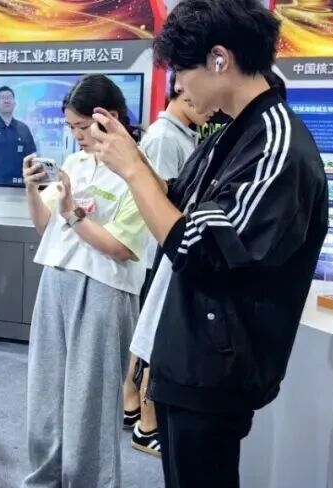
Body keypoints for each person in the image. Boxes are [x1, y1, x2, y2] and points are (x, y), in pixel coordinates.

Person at [90, 0, 329, 485]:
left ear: (220, 59)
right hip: (185, 351)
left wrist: (133, 169)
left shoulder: (277, 143)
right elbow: (178, 203)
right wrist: (133, 159)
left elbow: (198, 246)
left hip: (216, 366)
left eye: (182, 70)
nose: (179, 85)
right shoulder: (230, 134)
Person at [21, 74, 151, 488]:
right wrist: (32, 191)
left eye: (82, 126)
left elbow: (121, 247)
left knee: (90, 398)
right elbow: (46, 226)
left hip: (104, 289)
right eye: (71, 127)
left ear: (108, 116)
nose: (76, 135)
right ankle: (45, 477)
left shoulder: (138, 169)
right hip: (56, 279)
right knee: (46, 390)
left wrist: (73, 214)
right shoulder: (75, 163)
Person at [122, 70, 210, 457]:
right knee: (153, 340)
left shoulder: (185, 135)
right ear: (182, 90)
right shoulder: (163, 138)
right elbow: (159, 202)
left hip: (171, 249)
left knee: (150, 336)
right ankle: (144, 420)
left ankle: (133, 407)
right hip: (163, 251)